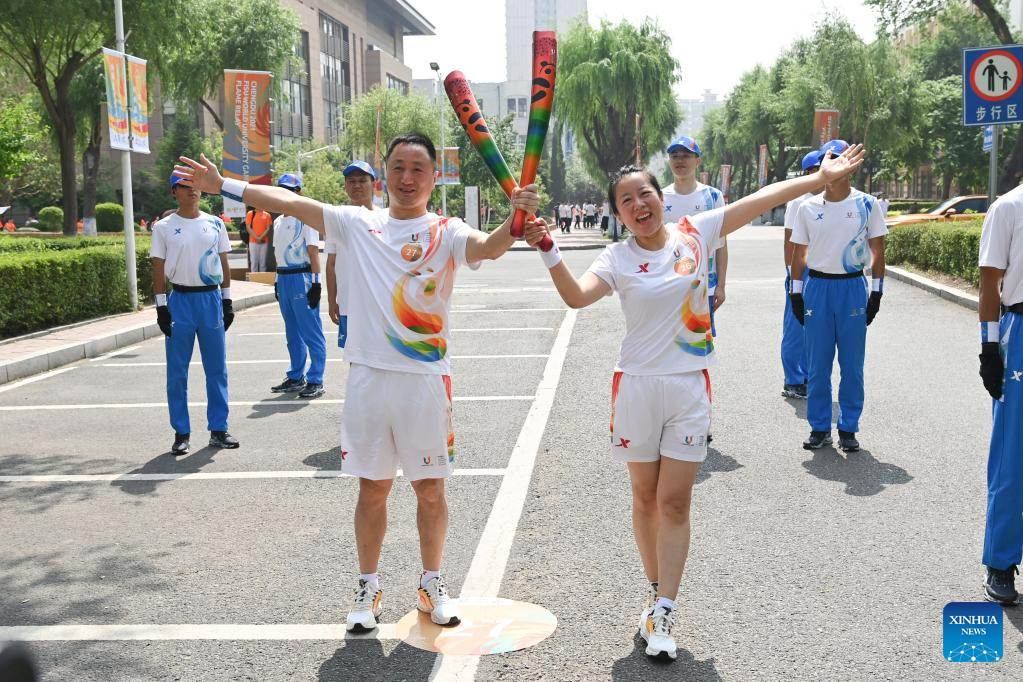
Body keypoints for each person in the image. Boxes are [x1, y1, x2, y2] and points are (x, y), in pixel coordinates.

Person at [173, 132, 540, 633]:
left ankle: (432, 582)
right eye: (398, 167)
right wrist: (226, 186)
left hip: (425, 380)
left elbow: (491, 247)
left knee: (431, 489)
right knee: (373, 488)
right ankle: (368, 586)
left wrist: (516, 217)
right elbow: (289, 202)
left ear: (434, 177)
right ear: (385, 173)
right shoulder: (357, 223)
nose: (407, 178)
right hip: (368, 378)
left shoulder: (447, 230)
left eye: (417, 169)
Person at [524, 146, 864, 660]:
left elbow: (761, 199)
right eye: (625, 201)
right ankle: (654, 589)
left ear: (660, 198)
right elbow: (576, 296)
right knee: (644, 498)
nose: (638, 205)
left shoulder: (695, 232)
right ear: (617, 213)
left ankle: (665, 608)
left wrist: (818, 179)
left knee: (675, 501)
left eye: (644, 194)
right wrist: (548, 248)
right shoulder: (616, 257)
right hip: (636, 387)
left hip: (687, 386)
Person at [789, 139, 887, 452]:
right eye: (828, 159)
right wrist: (796, 293)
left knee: (852, 366)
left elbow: (877, 250)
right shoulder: (807, 207)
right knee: (818, 366)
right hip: (817, 287)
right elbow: (799, 253)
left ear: (851, 165)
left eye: (840, 158)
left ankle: (848, 427)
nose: (834, 165)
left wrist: (877, 293)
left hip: (852, 288)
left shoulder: (867, 205)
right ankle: (819, 427)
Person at [150, 173, 239, 455]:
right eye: (185, 186)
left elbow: (224, 262)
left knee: (217, 369)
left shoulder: (215, 223)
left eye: (196, 185)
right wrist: (161, 306)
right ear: (174, 191)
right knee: (177, 371)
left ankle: (219, 429)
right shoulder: (163, 227)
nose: (192, 190)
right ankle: (181, 432)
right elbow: (157, 267)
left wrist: (227, 300)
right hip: (180, 302)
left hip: (210, 300)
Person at [977, 182, 1023, 605]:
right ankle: (1001, 561)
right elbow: (990, 281)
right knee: (1012, 454)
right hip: (1020, 331)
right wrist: (990, 348)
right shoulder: (1009, 207)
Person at [269, 173, 327, 399]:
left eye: (291, 191)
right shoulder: (278, 222)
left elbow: (313, 253)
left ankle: (316, 379)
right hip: (284, 278)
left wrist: (316, 285)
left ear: (299, 193)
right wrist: (276, 281)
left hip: (302, 278)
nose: (286, 195)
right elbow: (278, 255)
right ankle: (295, 377)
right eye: (282, 190)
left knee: (311, 331)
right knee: (292, 332)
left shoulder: (306, 219)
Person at [662, 136, 728, 322]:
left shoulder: (713, 196)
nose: (680, 160)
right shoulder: (659, 197)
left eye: (686, 156)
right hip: (668, 283)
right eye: (675, 156)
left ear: (697, 160)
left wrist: (721, 286)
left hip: (704, 285)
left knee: (699, 337)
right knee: (669, 336)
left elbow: (721, 245)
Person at [780, 150, 822, 400]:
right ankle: (793, 380)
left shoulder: (832, 199)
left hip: (824, 271)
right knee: (796, 327)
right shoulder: (798, 202)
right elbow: (789, 241)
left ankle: (808, 376)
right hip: (801, 271)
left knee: (815, 327)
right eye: (817, 169)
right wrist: (792, 275)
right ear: (808, 173)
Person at [327, 161, 378, 348]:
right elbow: (331, 264)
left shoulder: (385, 219)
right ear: (345, 185)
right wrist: (332, 301)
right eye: (351, 181)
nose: (357, 185)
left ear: (373, 184)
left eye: (363, 181)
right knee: (353, 355)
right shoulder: (337, 220)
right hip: (349, 304)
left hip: (379, 304)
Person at [245, 205, 272, 272]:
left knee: (263, 262)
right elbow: (248, 227)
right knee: (254, 261)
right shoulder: (250, 213)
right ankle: (254, 278)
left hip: (264, 241)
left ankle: (262, 277)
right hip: (253, 241)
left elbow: (268, 228)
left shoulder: (267, 215)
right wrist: (257, 238)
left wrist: (260, 238)